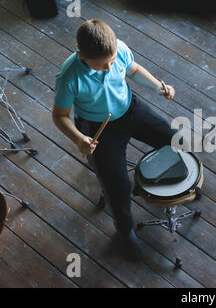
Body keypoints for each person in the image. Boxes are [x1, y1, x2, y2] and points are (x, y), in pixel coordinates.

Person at [52, 19, 176, 261]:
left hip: (130, 109)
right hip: (97, 128)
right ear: (81, 56)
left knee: (174, 140)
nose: (109, 68)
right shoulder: (68, 77)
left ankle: (175, 185)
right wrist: (79, 139)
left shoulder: (117, 48)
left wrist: (158, 86)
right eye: (101, 65)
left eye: (111, 61)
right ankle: (125, 231)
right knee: (117, 187)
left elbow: (133, 69)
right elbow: (60, 115)